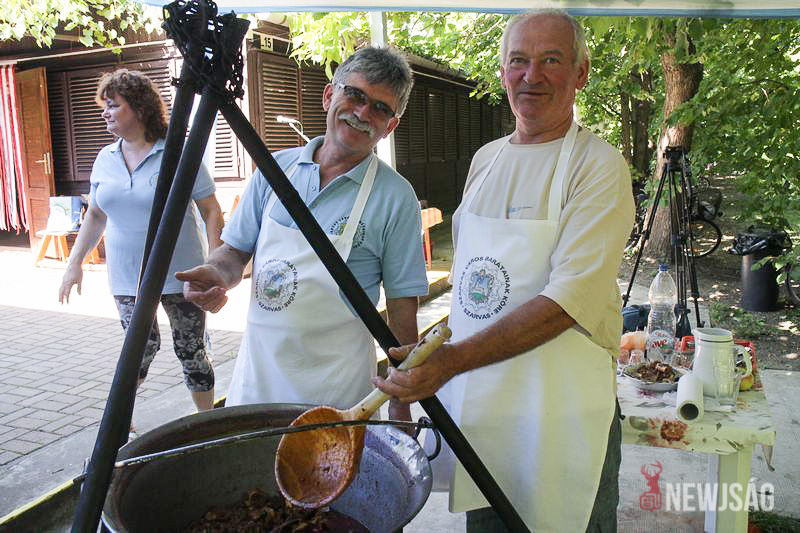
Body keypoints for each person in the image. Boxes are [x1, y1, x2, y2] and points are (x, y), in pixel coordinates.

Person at [374, 10, 635, 532]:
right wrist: (429, 353)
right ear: (502, 73)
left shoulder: (598, 166)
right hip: (486, 418)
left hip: (561, 420)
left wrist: (452, 361)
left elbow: (568, 301)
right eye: (518, 60)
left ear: (581, 73)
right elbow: (476, 291)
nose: (531, 75)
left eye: (551, 60)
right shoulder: (486, 160)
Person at [177, 46, 428, 421]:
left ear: (390, 126)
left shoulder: (395, 197)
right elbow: (234, 253)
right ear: (329, 95)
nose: (363, 113)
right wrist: (215, 274)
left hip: (337, 396)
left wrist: (400, 402)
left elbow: (402, 308)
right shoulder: (274, 169)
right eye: (355, 95)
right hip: (258, 383)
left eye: (380, 108)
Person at [59, 69, 223, 413]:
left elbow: (210, 209)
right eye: (104, 106)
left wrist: (215, 265)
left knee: (190, 350)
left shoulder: (177, 153)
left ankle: (206, 422)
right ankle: (121, 423)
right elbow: (96, 215)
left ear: (139, 107)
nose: (105, 113)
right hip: (127, 276)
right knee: (138, 350)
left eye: (113, 105)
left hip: (182, 274)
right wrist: (74, 264)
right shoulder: (105, 158)